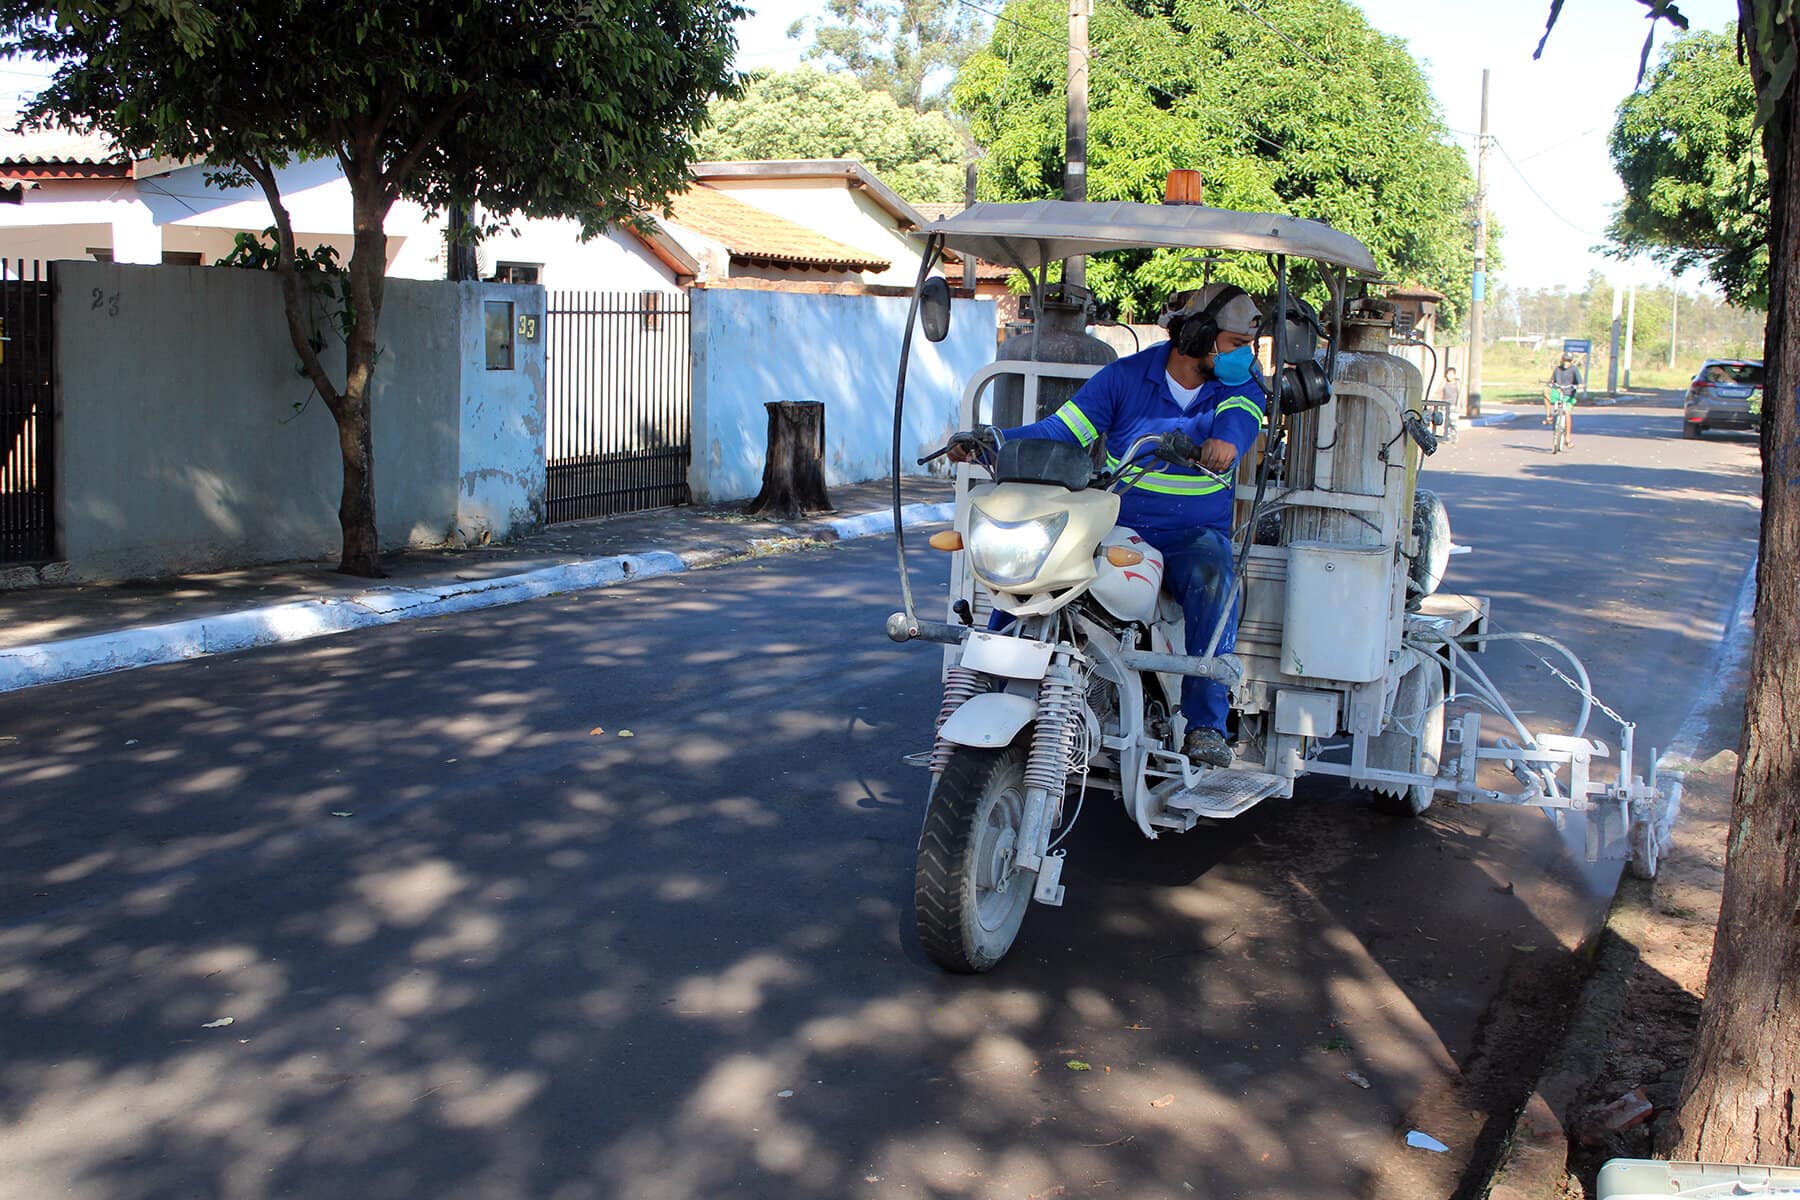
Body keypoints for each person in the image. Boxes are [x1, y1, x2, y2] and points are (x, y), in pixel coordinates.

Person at [948, 282, 1266, 768]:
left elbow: (1241, 419)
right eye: (1235, 344)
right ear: (1198, 337)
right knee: (1035, 566)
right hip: (1121, 523)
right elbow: (1063, 430)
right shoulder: (1124, 377)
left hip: (1192, 537)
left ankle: (1205, 724)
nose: (1245, 357)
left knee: (1216, 576)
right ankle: (986, 679)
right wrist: (993, 439)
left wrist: (1225, 442)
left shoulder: (1238, 385)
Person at [1545, 353, 1582, 442]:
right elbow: (1552, 381)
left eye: (1568, 361)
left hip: (1569, 394)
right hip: (1558, 392)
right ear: (1562, 360)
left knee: (1567, 413)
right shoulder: (1557, 369)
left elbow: (1580, 382)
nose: (1566, 363)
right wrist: (1550, 384)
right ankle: (1549, 416)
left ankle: (1568, 437)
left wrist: (1579, 386)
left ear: (1571, 361)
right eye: (1565, 360)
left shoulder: (1574, 369)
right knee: (1546, 391)